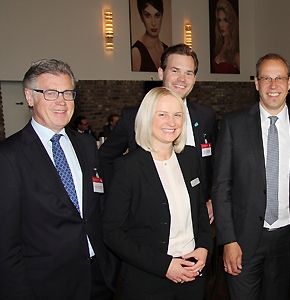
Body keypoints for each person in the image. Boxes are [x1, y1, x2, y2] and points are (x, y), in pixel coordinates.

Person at [0, 59, 118, 299]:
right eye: (51, 93)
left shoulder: (86, 144)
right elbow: (6, 246)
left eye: (67, 93)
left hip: (98, 277)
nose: (62, 102)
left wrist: (111, 265)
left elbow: (99, 207)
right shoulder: (9, 156)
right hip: (47, 285)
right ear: (30, 97)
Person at [212, 53, 290, 300]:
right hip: (243, 240)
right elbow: (221, 186)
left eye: (279, 78)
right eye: (267, 78)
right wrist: (228, 240)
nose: (273, 86)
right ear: (256, 83)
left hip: (288, 238)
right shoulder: (234, 124)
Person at [102, 87, 212, 299]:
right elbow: (112, 232)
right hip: (149, 282)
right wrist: (164, 266)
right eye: (162, 114)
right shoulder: (128, 167)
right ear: (146, 118)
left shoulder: (190, 158)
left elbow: (199, 211)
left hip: (192, 275)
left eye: (177, 115)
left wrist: (204, 248)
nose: (171, 122)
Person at [100, 43, 217, 223]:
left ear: (195, 78)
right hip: (149, 221)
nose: (182, 79)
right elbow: (105, 159)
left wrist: (213, 200)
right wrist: (122, 196)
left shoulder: (205, 116)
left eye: (188, 73)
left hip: (196, 218)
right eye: (175, 71)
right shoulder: (134, 116)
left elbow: (216, 164)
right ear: (161, 73)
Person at [131, 0, 168, 72]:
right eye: (147, 15)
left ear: (162, 16)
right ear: (141, 17)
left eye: (157, 15)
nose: (153, 23)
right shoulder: (136, 52)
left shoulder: (168, 51)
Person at [211, 0, 240, 74]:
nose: (221, 25)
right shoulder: (218, 47)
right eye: (220, 20)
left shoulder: (236, 53)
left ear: (231, 23)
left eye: (225, 20)